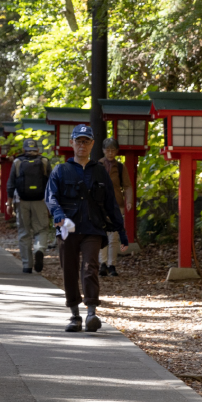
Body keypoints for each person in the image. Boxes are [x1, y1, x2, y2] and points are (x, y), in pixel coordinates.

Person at [45, 124, 129, 333]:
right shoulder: (60, 170)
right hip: (68, 229)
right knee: (69, 271)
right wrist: (58, 215)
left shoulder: (100, 171)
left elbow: (110, 203)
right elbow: (51, 197)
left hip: (93, 228)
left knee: (90, 266)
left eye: (86, 141)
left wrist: (122, 232)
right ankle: (74, 315)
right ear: (71, 143)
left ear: (92, 144)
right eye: (78, 141)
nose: (82, 145)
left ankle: (92, 312)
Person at [8, 137, 54, 273]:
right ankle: (39, 249)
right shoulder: (44, 161)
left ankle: (27, 265)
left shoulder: (17, 162)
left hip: (21, 200)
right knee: (42, 229)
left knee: (24, 232)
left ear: (24, 150)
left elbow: (10, 183)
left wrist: (8, 203)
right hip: (40, 200)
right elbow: (51, 183)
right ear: (37, 150)